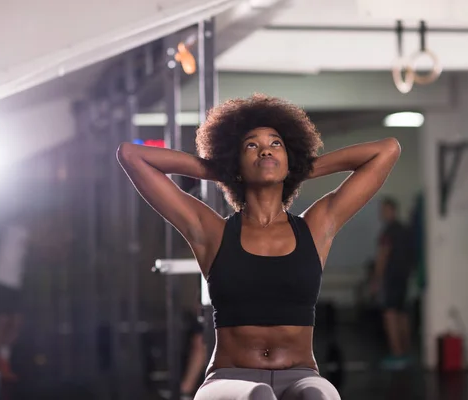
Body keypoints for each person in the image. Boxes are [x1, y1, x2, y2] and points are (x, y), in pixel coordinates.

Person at [118, 94, 400, 399]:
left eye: (275, 144)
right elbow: (131, 156)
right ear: (236, 163)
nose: (265, 149)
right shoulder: (212, 231)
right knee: (259, 396)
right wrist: (219, 170)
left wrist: (300, 168)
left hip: (301, 374)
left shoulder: (316, 227)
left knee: (319, 396)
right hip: (229, 378)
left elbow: (387, 151)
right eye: (251, 145)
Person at [369, 197, 413, 369]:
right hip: (403, 277)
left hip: (391, 278)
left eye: (385, 210)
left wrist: (376, 280)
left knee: (390, 314)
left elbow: (382, 257)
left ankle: (397, 354)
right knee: (402, 314)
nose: (382, 214)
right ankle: (406, 352)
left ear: (393, 211)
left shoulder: (387, 232)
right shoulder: (404, 230)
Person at [0, 219, 30, 380]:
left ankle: (1, 359)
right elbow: (41, 242)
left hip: (13, 284)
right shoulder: (14, 229)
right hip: (3, 282)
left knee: (15, 323)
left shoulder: (20, 230)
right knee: (3, 323)